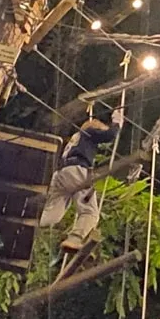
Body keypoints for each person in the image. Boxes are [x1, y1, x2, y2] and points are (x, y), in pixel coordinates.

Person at [40, 104, 124, 249]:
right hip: (77, 171)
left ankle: (31, 219)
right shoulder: (89, 132)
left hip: (61, 173)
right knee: (90, 213)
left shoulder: (75, 138)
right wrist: (117, 122)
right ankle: (75, 239)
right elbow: (110, 135)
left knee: (52, 215)